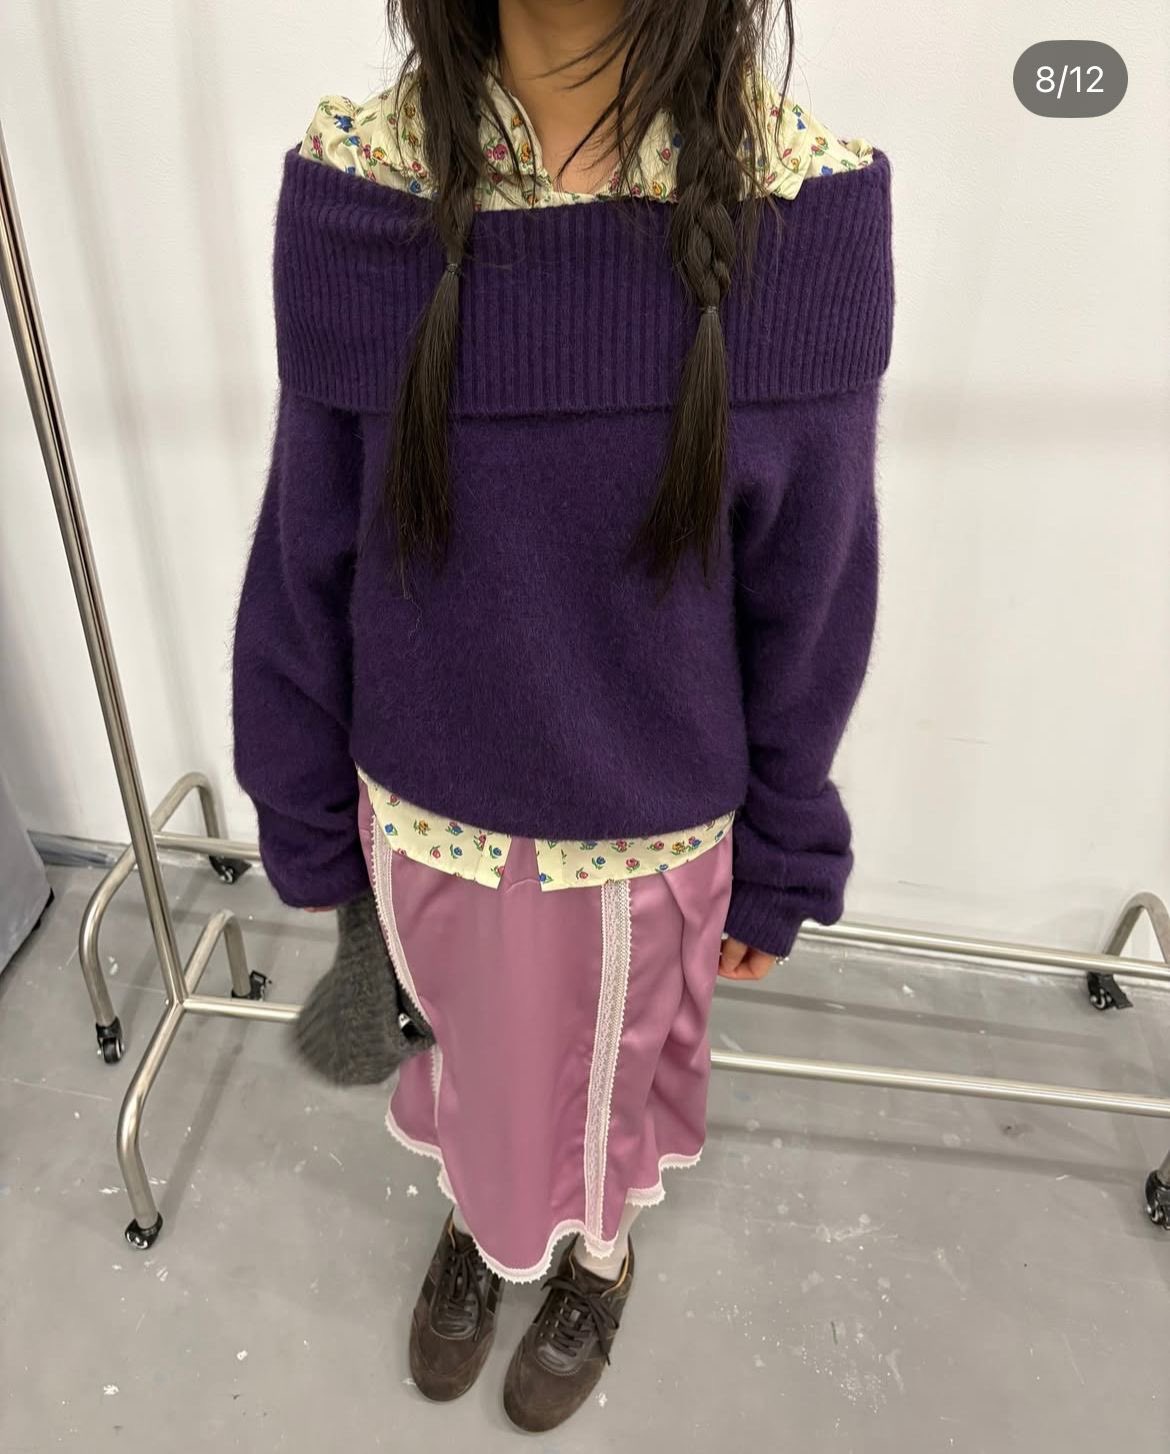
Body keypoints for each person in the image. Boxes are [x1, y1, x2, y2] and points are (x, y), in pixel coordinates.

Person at [231, 0, 893, 1433]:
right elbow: (309, 534)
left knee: (613, 1081)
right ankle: (485, 1225)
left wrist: (788, 845)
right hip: (424, 819)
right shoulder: (361, 182)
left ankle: (599, 1256)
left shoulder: (803, 205)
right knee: (475, 1063)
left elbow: (813, 588)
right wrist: (298, 798)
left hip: (654, 841)